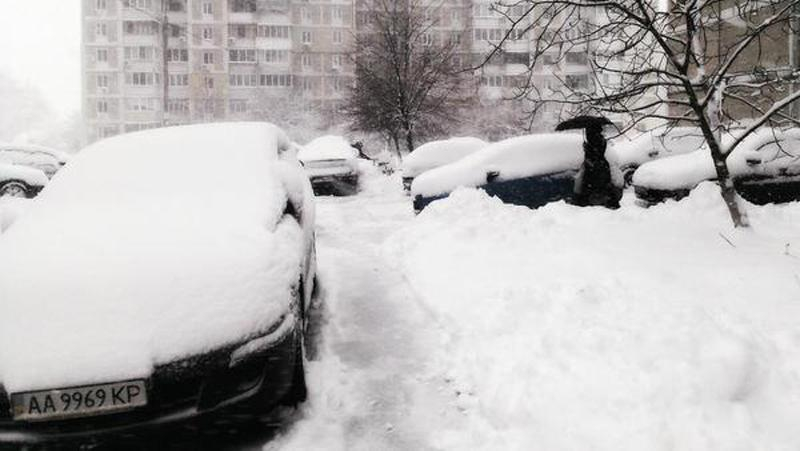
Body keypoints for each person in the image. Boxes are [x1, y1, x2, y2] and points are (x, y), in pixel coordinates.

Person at [556, 116, 623, 209]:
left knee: (592, 188)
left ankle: (589, 203)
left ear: (591, 131)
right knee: (600, 188)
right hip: (600, 166)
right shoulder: (600, 139)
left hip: (595, 167)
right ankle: (603, 202)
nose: (587, 133)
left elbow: (594, 154)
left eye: (588, 131)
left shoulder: (594, 139)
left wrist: (587, 148)